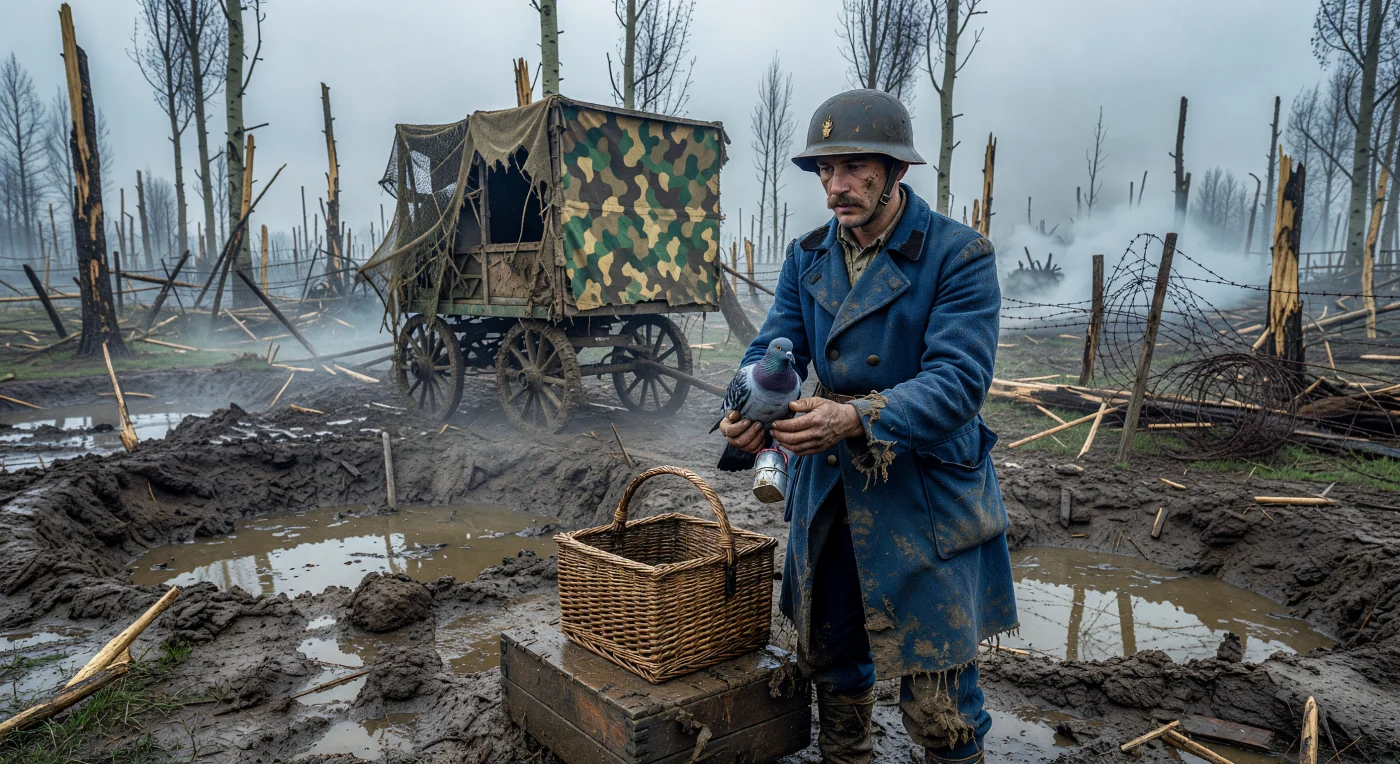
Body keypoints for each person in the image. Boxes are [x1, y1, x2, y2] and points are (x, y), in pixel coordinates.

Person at [717, 89, 1017, 764]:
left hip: (925, 491)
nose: (836, 185)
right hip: (830, 488)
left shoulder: (958, 256)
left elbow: (959, 382)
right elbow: (774, 349)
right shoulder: (807, 256)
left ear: (895, 171)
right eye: (825, 170)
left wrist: (856, 416)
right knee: (833, 655)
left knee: (940, 701)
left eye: (854, 167)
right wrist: (746, 414)